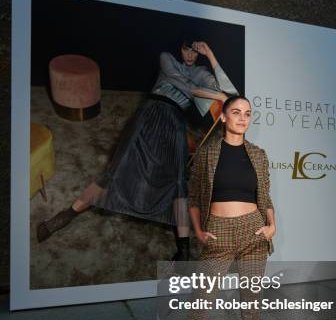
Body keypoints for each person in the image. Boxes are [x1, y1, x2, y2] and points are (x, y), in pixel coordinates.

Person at [36, 38, 239, 261]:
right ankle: (64, 216)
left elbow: (231, 93)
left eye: (195, 51)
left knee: (178, 183)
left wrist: (210, 54)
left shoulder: (202, 73)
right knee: (116, 169)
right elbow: (185, 86)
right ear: (179, 48)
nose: (190, 55)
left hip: (175, 122)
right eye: (186, 49)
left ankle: (184, 252)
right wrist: (217, 96)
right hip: (151, 113)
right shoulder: (166, 58)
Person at [155, 95, 276, 320]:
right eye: (236, 112)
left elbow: (264, 198)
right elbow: (193, 198)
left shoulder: (258, 155)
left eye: (247, 114)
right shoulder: (207, 153)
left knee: (250, 314)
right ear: (223, 117)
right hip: (218, 235)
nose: (242, 117)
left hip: (253, 234)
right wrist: (198, 231)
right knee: (198, 316)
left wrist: (272, 225)